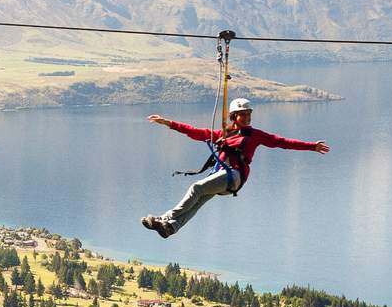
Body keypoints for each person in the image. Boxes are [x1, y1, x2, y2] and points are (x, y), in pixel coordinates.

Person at [141, 98, 329, 238]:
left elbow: (282, 142)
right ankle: (171, 228)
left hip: (234, 176)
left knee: (196, 188)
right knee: (198, 201)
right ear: (234, 117)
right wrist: (168, 123)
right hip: (223, 175)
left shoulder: (255, 135)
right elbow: (196, 132)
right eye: (243, 114)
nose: (247, 117)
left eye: (249, 114)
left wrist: (311, 146)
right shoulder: (224, 134)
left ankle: (164, 219)